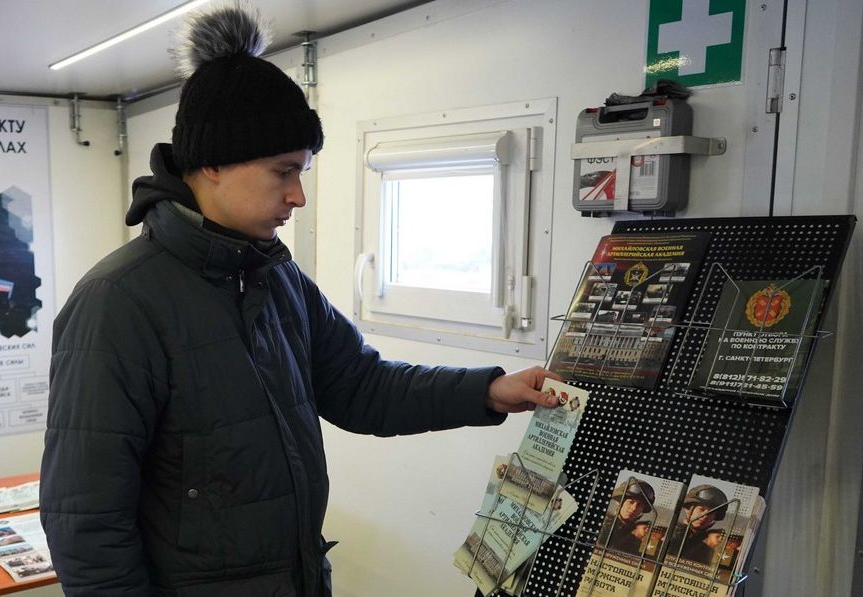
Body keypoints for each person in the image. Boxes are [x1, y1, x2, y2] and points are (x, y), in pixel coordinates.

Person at [39, 6, 559, 597]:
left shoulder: (277, 278)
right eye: (283, 172)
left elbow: (362, 387)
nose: (298, 196)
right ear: (212, 163)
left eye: (302, 171)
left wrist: (487, 391)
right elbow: (87, 524)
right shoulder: (117, 302)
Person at [672, 484, 729, 566]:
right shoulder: (669, 536)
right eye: (701, 509)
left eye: (712, 512)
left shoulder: (707, 551)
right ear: (688, 509)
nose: (705, 515)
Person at [598, 479, 655, 556]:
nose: (633, 508)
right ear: (621, 503)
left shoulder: (637, 534)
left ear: (642, 510)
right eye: (630, 502)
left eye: (639, 505)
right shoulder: (603, 525)